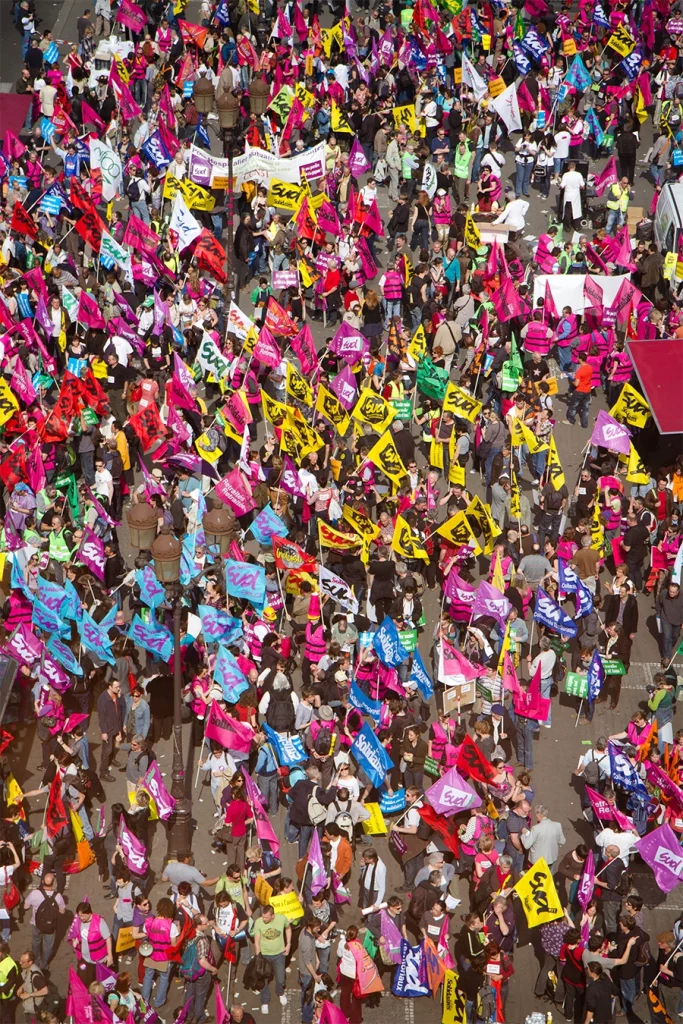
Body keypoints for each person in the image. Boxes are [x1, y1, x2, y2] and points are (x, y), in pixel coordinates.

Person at [252, 904, 291, 1013]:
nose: (264, 919)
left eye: (266, 917)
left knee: (280, 978)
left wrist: (288, 944)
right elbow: (256, 941)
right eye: (263, 916)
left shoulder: (282, 919)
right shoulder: (258, 922)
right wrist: (258, 956)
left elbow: (288, 928)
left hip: (279, 954)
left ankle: (280, 992)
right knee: (263, 978)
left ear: (273, 916)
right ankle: (265, 1001)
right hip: (265, 955)